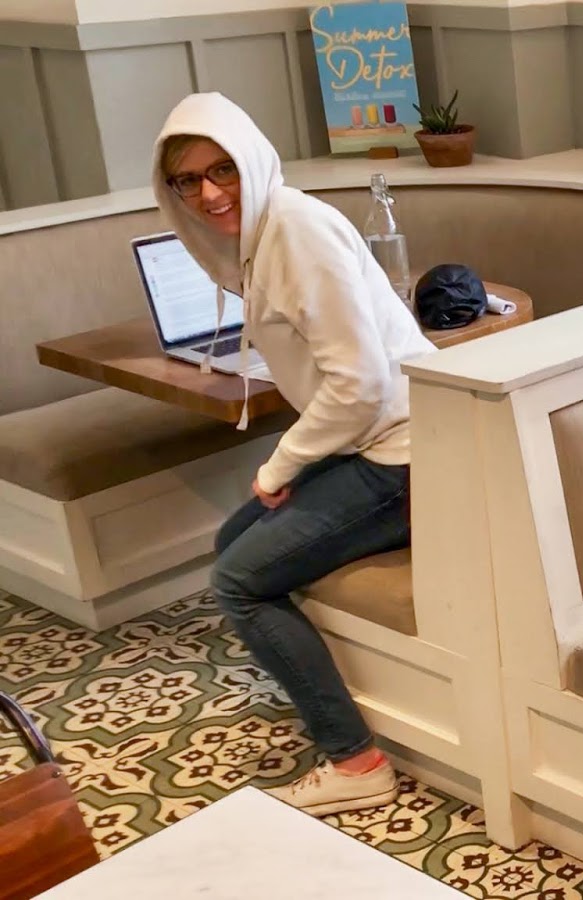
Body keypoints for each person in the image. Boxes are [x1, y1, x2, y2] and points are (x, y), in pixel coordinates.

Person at [152, 92, 436, 815]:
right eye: (189, 180)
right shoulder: (263, 236)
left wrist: (282, 465)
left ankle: (356, 761)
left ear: (251, 159)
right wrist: (296, 462)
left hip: (407, 455)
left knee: (237, 580)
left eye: (222, 170)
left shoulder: (296, 231)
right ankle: (325, 684)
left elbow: (361, 385)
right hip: (374, 439)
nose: (210, 194)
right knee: (232, 540)